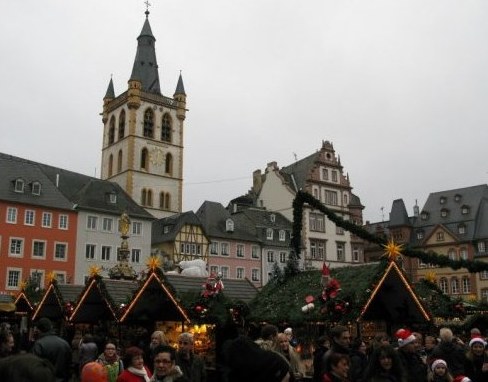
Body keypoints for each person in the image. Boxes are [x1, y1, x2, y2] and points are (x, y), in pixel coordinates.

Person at [223, 335, 290, 382]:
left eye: (286, 341)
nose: (284, 344)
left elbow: (286, 373)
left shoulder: (273, 358)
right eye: (281, 342)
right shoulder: (272, 358)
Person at [31, 317, 72, 382]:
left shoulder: (39, 344)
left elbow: (34, 366)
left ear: (39, 330)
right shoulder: (64, 344)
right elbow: (69, 365)